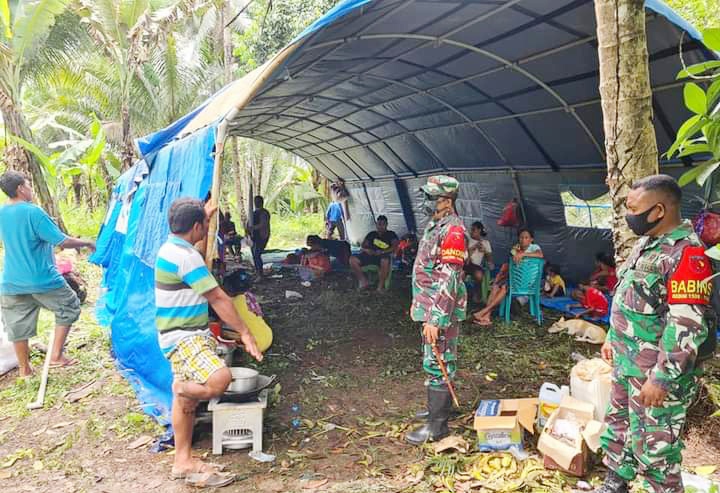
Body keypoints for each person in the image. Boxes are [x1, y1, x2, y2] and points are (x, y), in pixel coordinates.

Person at [596, 175, 713, 493]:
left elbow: (687, 324)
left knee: (656, 451)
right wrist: (611, 336)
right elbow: (627, 297)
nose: (627, 214)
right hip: (627, 363)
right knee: (619, 428)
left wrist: (662, 378)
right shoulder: (647, 243)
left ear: (658, 210)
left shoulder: (687, 255)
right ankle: (615, 482)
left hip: (654, 373)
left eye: (633, 208)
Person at [155, 197, 262, 488]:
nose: (207, 229)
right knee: (220, 378)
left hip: (177, 333)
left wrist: (206, 213)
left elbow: (196, 254)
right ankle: (179, 389)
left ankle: (183, 460)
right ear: (196, 226)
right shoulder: (186, 257)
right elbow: (217, 297)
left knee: (189, 401)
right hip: (184, 336)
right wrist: (245, 333)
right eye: (204, 224)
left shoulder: (174, 248)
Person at [0, 171, 95, 378]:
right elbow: (61, 241)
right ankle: (56, 355)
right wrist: (87, 242)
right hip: (41, 278)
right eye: (28, 185)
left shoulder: (2, 213)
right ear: (20, 189)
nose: (31, 189)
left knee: (17, 325)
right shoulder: (33, 212)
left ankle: (25, 370)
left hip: (11, 281)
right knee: (69, 305)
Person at [405, 175, 467, 445]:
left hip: (441, 310)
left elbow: (449, 277)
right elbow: (426, 268)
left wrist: (436, 318)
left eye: (433, 197)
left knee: (438, 360)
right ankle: (436, 410)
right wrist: (418, 303)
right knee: (433, 357)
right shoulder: (436, 223)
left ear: (447, 200)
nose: (428, 202)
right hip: (429, 304)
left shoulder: (453, 229)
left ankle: (437, 426)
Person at [472, 228, 543, 326]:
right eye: (521, 237)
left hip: (529, 284)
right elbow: (509, 266)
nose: (523, 239)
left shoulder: (534, 247)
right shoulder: (516, 249)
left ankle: (485, 312)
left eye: (526, 237)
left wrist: (523, 254)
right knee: (496, 286)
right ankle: (486, 316)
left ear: (531, 239)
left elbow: (540, 254)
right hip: (515, 282)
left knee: (503, 287)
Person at [349, 215, 398, 291]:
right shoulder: (372, 234)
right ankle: (363, 281)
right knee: (352, 259)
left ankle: (380, 286)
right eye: (379, 224)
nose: (381, 226)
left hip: (382, 255)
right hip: (370, 255)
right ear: (376, 224)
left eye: (383, 224)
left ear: (386, 225)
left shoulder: (391, 234)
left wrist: (383, 251)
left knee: (385, 260)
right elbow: (363, 245)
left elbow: (395, 246)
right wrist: (367, 250)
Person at [464, 221, 493, 301]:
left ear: (479, 230)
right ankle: (462, 296)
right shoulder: (467, 239)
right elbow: (464, 254)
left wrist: (485, 251)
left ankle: (477, 294)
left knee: (479, 275)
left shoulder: (485, 243)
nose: (471, 232)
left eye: (473, 230)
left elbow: (490, 260)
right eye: (471, 230)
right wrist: (473, 247)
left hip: (475, 266)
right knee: (461, 275)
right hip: (465, 263)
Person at [247, 196, 270, 276]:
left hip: (261, 236)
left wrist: (253, 227)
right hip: (254, 237)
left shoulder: (264, 212)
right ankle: (257, 271)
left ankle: (260, 274)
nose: (256, 203)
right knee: (254, 255)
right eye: (255, 201)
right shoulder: (253, 213)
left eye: (257, 201)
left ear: (261, 202)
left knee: (257, 255)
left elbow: (263, 224)